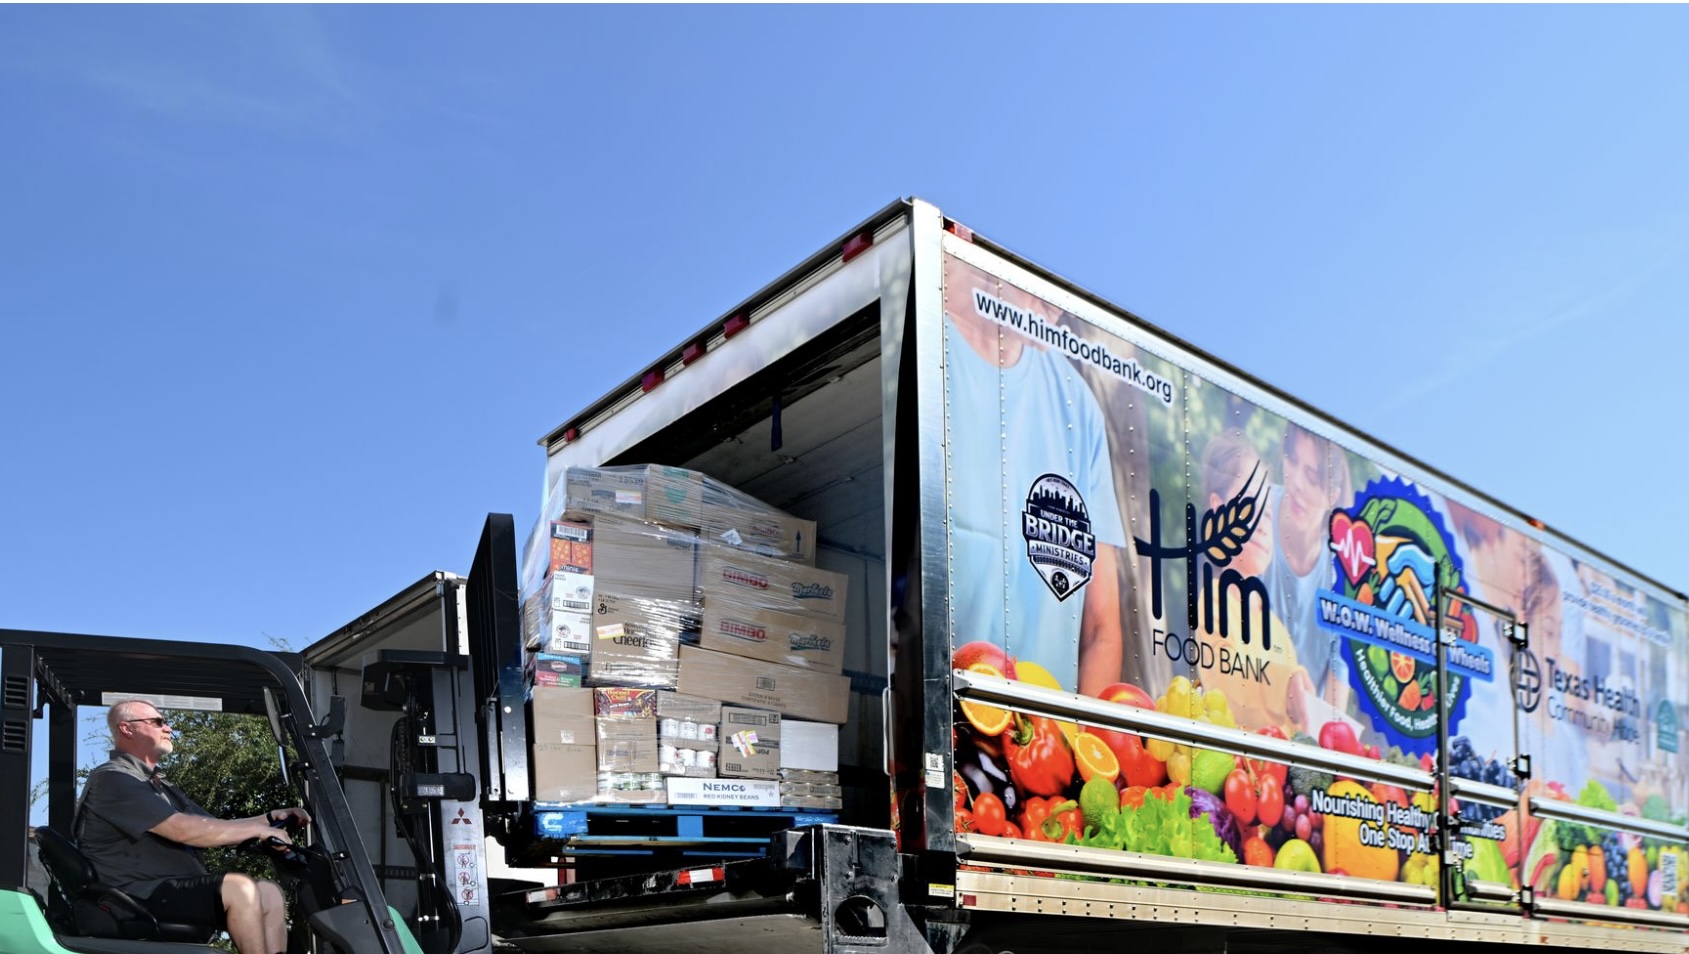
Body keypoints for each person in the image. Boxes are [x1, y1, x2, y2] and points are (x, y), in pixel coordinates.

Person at [943, 256, 1125, 697]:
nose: (1058, 305)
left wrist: (1077, 747)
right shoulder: (933, 353)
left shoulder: (1078, 409)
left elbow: (1102, 628)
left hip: (1046, 750)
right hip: (952, 725)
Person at [75, 699, 310, 954]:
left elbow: (213, 826)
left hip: (165, 890)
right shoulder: (115, 780)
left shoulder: (158, 786)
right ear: (127, 729)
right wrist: (260, 831)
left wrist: (270, 819)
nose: (168, 728)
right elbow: (183, 830)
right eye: (158, 722)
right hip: (133, 897)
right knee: (239, 888)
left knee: (268, 892)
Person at [1263, 421, 1353, 722]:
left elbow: (1339, 672)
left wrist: (1323, 742)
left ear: (1333, 495)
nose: (1297, 482)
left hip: (1298, 736)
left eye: (1312, 477)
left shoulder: (1341, 572)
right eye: (1291, 460)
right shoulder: (1255, 512)